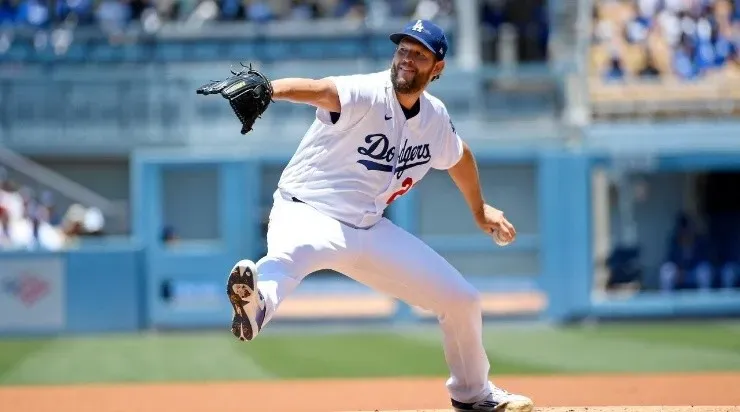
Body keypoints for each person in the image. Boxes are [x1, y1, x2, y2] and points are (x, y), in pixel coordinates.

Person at [226, 19, 534, 412]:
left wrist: (479, 208)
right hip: (308, 210)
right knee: (285, 262)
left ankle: (473, 394)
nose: (407, 58)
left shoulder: (434, 119)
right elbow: (322, 90)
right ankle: (254, 306)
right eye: (403, 49)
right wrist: (272, 89)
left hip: (369, 229)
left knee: (462, 300)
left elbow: (460, 157)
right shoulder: (369, 92)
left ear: (436, 68)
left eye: (419, 54)